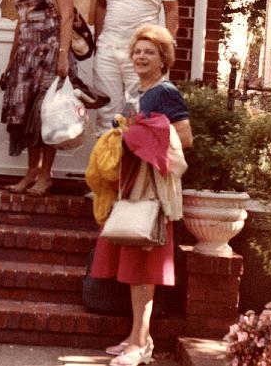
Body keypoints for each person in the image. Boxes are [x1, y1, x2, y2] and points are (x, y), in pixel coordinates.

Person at [89, 24, 192, 366]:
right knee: (135, 266)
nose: (141, 56)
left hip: (152, 191)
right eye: (137, 51)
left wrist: (137, 139)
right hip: (133, 185)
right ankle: (137, 337)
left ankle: (141, 345)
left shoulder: (165, 92)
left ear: (164, 59)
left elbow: (184, 138)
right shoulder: (139, 91)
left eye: (150, 52)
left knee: (145, 267)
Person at [0, 0, 77, 196]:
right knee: (27, 118)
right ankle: (31, 171)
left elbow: (66, 18)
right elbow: (21, 25)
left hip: (50, 54)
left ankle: (46, 174)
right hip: (25, 58)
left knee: (47, 116)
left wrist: (63, 55)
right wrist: (10, 64)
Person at [93, 0, 180, 135]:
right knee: (106, 111)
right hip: (108, 51)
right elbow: (101, 5)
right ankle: (108, 167)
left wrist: (165, 50)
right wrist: (98, 41)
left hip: (142, 54)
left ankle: (132, 169)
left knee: (139, 112)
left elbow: (172, 11)